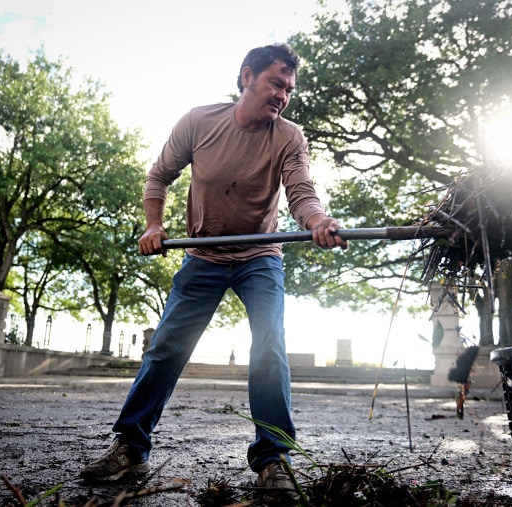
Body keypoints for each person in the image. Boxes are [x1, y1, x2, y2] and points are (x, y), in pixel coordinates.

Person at [80, 43, 348, 501]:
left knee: (269, 345)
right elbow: (158, 175)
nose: (282, 95)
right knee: (166, 346)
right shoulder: (199, 122)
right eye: (275, 84)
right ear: (247, 77)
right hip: (202, 256)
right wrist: (153, 225)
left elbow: (301, 191)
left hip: (259, 256)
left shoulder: (288, 136)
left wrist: (318, 222)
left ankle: (273, 458)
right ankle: (130, 445)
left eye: (288, 89)